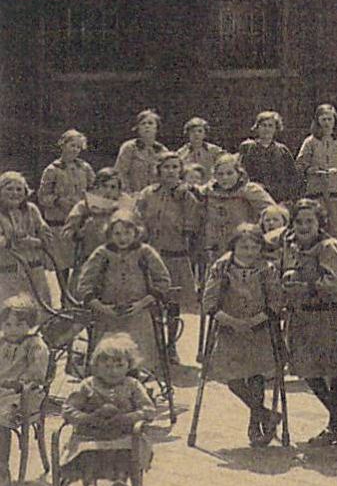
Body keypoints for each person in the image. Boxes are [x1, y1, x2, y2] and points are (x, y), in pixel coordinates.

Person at [278, 199, 337, 446]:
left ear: (320, 223)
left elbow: (336, 283)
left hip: (330, 314)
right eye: (299, 221)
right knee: (306, 368)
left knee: (336, 370)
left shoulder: (329, 247)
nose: (304, 226)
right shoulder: (288, 245)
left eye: (309, 221)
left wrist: (306, 287)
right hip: (303, 317)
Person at [201, 223, 283, 447]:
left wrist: (257, 320)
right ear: (234, 246)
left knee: (256, 375)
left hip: (259, 328)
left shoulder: (267, 268)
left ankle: (255, 423)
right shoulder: (222, 267)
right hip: (229, 328)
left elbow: (276, 300)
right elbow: (209, 300)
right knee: (234, 379)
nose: (248, 252)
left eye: (254, 247)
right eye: (243, 246)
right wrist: (231, 321)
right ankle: (266, 414)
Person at [59, 333, 158, 486]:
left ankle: (120, 481)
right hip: (92, 437)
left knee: (126, 452)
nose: (113, 371)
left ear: (129, 365)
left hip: (123, 435)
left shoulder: (132, 385)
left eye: (119, 365)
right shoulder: (88, 385)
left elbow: (149, 410)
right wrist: (87, 418)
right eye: (106, 366)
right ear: (96, 366)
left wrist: (128, 418)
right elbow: (68, 409)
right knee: (87, 454)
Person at [76, 209, 171, 373]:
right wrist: (101, 307)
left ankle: (135, 390)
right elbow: (84, 285)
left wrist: (142, 303)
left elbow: (163, 281)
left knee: (137, 361)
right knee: (107, 360)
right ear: (110, 234)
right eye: (117, 233)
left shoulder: (145, 252)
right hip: (107, 316)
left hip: (138, 315)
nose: (122, 238)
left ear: (136, 232)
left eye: (127, 233)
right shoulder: (102, 253)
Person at [135, 153, 202, 341]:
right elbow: (137, 218)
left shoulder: (187, 195)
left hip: (176, 255)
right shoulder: (148, 193)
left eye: (175, 167)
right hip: (151, 254)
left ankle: (171, 343)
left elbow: (193, 223)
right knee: (151, 301)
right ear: (158, 170)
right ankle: (154, 342)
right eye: (166, 167)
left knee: (173, 303)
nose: (171, 171)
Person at [0, 295, 49, 485]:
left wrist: (19, 383)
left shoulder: (35, 345)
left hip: (24, 395)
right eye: (8, 324)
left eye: (19, 325)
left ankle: (2, 469)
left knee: (1, 418)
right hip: (2, 391)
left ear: (29, 324)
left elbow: (36, 373)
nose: (13, 330)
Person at [39, 129, 95, 291]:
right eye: (72, 145)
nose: (75, 150)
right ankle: (64, 296)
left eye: (78, 147)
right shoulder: (52, 169)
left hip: (80, 223)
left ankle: (76, 296)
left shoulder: (85, 168)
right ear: (63, 145)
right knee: (61, 262)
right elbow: (42, 196)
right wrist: (57, 200)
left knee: (79, 262)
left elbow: (94, 189)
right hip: (59, 223)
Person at [295, 104, 337, 244]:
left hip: (336, 189)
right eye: (323, 120)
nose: (327, 123)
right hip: (316, 189)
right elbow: (300, 164)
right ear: (318, 121)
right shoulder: (310, 142)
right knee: (319, 225)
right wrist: (309, 170)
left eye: (330, 119)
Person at [198, 155, 274, 270]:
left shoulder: (250, 190)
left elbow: (273, 213)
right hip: (215, 251)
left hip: (244, 251)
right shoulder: (207, 192)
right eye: (220, 174)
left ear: (239, 174)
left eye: (229, 173)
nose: (225, 178)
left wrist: (257, 234)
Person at [0, 171, 57, 307]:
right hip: (7, 271)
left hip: (34, 270)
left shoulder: (32, 210)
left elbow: (47, 236)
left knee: (40, 310)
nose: (15, 193)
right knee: (9, 313)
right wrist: (10, 241)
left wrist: (37, 241)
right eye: (9, 189)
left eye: (19, 189)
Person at [237, 111, 299, 205]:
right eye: (263, 125)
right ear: (257, 128)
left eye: (270, 126)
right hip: (254, 197)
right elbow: (240, 173)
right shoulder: (248, 148)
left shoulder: (282, 150)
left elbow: (292, 176)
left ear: (275, 129)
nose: (267, 129)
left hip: (278, 199)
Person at [115, 110, 168, 195]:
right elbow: (120, 173)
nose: (147, 126)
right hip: (132, 195)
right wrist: (128, 193)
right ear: (138, 128)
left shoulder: (163, 151)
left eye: (150, 123)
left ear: (157, 128)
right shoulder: (129, 147)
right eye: (143, 124)